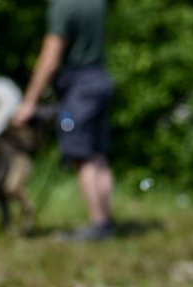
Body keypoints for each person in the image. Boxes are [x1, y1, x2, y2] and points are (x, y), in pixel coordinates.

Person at [11, 0, 115, 241]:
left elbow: (51, 56)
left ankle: (98, 225)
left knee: (81, 154)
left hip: (78, 88)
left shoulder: (63, 7)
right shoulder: (96, 3)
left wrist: (29, 101)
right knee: (98, 153)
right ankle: (106, 221)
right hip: (100, 78)